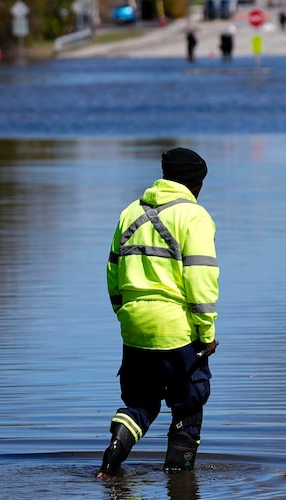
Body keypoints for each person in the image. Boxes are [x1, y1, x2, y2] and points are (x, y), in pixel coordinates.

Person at [96, 148, 220, 478]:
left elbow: (112, 272)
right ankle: (180, 485)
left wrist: (126, 314)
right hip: (177, 331)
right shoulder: (194, 217)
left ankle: (109, 463)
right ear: (196, 184)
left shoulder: (129, 212)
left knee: (140, 404)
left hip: (134, 327)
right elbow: (200, 277)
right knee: (188, 405)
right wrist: (206, 334)